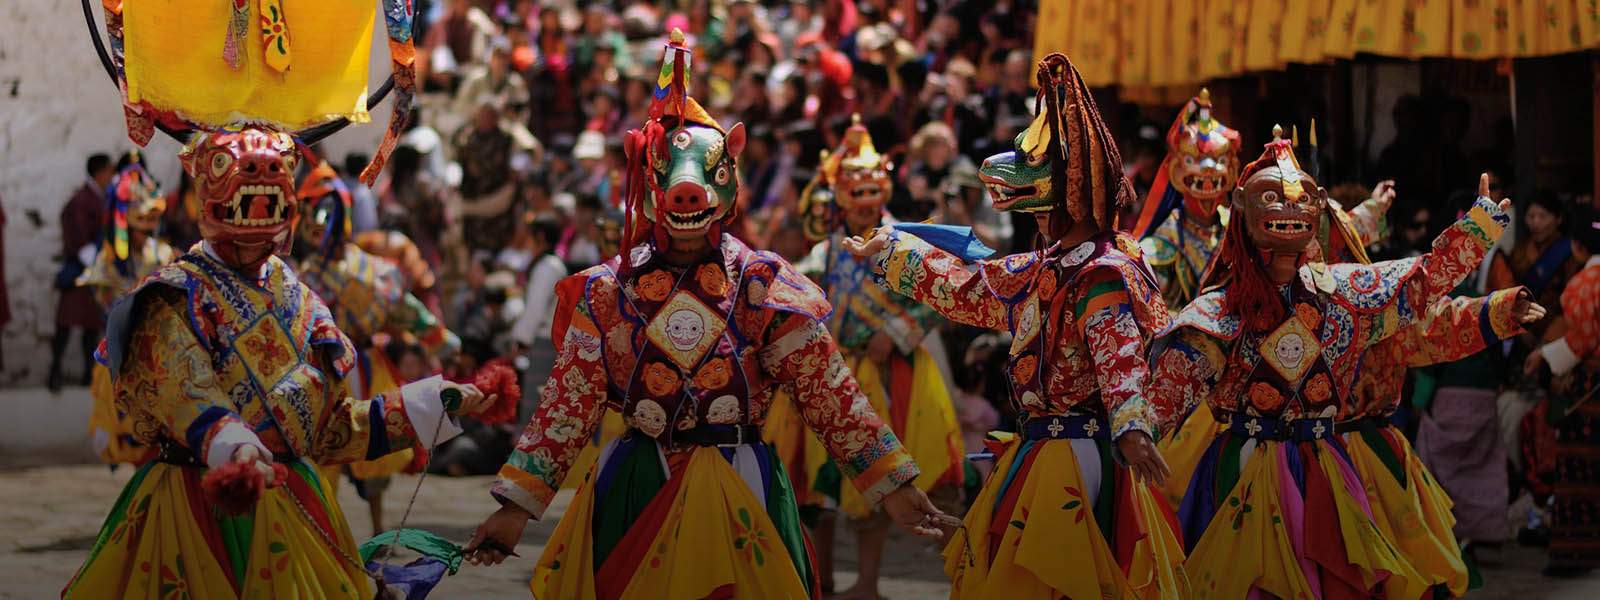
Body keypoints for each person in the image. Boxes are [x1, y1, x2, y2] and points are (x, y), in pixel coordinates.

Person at [464, 31, 945, 600]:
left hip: (741, 476)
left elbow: (830, 392)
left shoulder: (762, 283)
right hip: (637, 482)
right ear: (647, 183)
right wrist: (515, 509)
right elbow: (568, 406)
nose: (685, 195)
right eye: (667, 176)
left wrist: (891, 483)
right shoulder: (606, 292)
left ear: (729, 183)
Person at [62, 127, 492, 599]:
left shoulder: (299, 298)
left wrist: (427, 404)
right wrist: (233, 443)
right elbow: (184, 388)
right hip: (198, 504)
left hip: (293, 503)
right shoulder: (172, 296)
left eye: (278, 168)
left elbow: (328, 429)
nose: (262, 175)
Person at [846, 53, 1186, 599]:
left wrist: (1130, 424)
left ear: (1072, 184)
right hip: (1043, 451)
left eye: (1037, 166)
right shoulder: (1046, 269)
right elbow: (968, 287)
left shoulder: (1101, 273)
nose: (1010, 172)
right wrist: (892, 251)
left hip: (1079, 456)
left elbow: (1119, 354)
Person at [1147, 125, 1510, 597]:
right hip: (1241, 465)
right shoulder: (1222, 307)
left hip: (1325, 466)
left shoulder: (1346, 293)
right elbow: (1175, 380)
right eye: (1272, 198)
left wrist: (1476, 231)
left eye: (1299, 201)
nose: (1287, 210)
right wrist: (1137, 429)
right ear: (1241, 207)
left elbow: (1420, 283)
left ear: (1317, 209)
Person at [789, 116, 963, 599]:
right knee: (835, 482)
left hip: (899, 373)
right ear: (839, 191)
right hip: (841, 372)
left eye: (872, 191)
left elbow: (937, 299)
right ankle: (844, 582)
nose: (865, 201)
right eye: (855, 191)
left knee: (924, 475)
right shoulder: (824, 251)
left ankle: (952, 581)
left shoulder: (903, 242)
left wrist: (895, 330)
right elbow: (801, 290)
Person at [293, 161, 462, 534]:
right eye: (314, 213)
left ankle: (378, 530)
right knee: (322, 456)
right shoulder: (301, 276)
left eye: (327, 212)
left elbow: (406, 312)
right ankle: (323, 529)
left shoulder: (371, 270)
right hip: (321, 370)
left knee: (374, 456)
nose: (321, 223)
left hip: (366, 366)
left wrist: (442, 340)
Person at [79, 155, 176, 466]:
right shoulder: (108, 260)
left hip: (161, 355)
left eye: (150, 225)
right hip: (120, 356)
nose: (144, 233)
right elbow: (106, 303)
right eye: (138, 226)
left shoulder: (162, 253)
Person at [1522, 205, 1600, 576]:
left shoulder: (1585, 284)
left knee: (1580, 469)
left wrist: (1542, 357)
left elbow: (1583, 340)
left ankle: (1577, 553)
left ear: (1577, 247)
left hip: (1592, 388)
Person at [50, 153, 114, 392]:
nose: (112, 176)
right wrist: (90, 258)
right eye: (109, 171)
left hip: (95, 271)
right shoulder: (82, 199)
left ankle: (88, 374)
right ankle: (55, 371)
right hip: (80, 269)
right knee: (65, 324)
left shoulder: (99, 198)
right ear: (99, 172)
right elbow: (75, 231)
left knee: (90, 325)